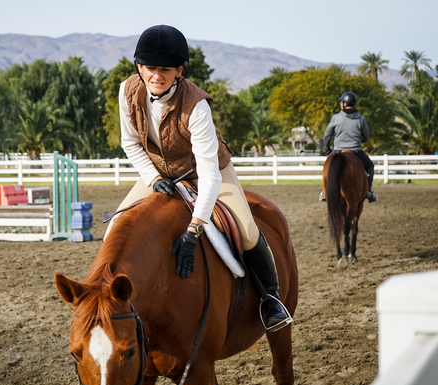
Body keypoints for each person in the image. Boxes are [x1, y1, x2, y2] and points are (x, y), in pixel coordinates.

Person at [105, 24, 291, 332]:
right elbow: (130, 143)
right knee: (116, 223)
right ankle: (108, 298)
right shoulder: (127, 92)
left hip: (207, 171)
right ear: (139, 67)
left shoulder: (197, 106)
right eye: (150, 68)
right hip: (160, 172)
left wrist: (193, 230)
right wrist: (152, 179)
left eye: (165, 69)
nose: (156, 76)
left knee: (246, 232)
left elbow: (208, 176)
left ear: (179, 70)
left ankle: (271, 299)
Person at [320, 92, 378, 202]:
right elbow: (366, 136)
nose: (340, 104)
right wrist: (356, 140)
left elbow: (327, 135)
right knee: (370, 167)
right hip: (356, 151)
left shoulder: (336, 117)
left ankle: (325, 192)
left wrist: (327, 148)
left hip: (338, 151)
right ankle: (368, 191)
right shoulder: (361, 118)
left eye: (341, 102)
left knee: (327, 167)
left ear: (345, 103)